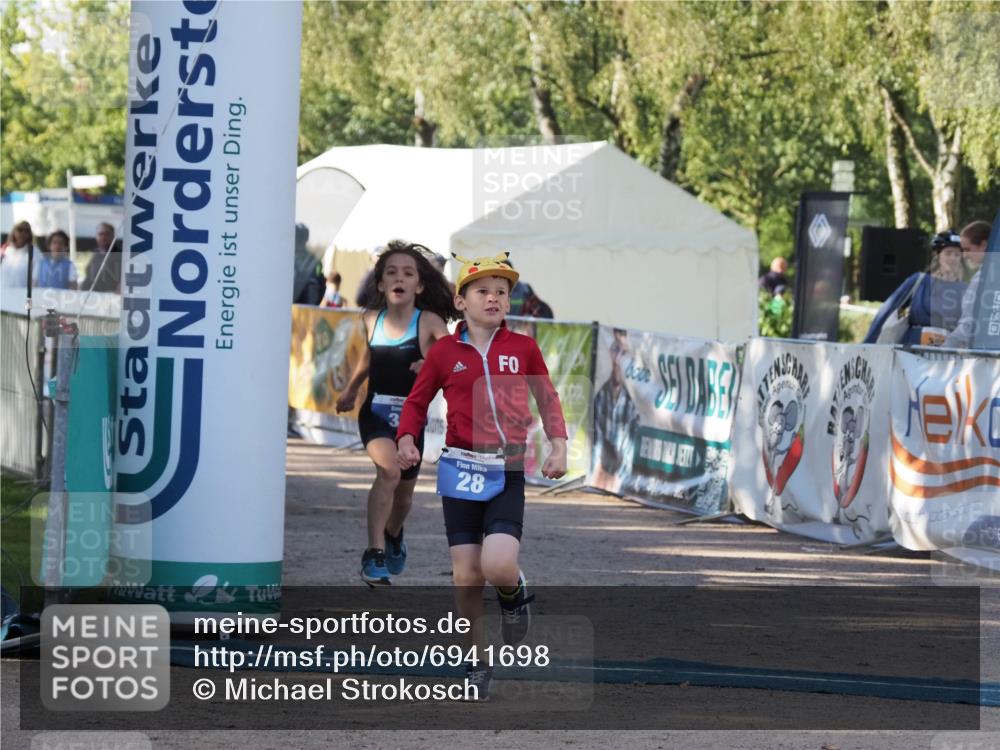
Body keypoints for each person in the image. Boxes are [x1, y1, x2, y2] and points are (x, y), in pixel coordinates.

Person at [396, 251, 568, 700]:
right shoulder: (444, 353)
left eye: (501, 291)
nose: (493, 298)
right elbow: (416, 402)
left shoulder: (524, 347)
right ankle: (476, 663)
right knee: (466, 575)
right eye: (482, 291)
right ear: (461, 300)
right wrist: (407, 439)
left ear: (510, 301)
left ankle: (514, 595)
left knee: (497, 564)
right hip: (459, 469)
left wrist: (558, 444)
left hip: (507, 466)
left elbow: (547, 398)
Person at [335, 241, 454, 586]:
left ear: (419, 285)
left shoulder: (429, 322)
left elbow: (452, 358)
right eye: (391, 272)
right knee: (388, 471)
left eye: (408, 272)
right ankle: (374, 553)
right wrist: (352, 388)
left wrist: (430, 364)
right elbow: (370, 358)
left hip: (411, 420)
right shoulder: (371, 319)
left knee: (403, 496)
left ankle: (393, 533)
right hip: (374, 411)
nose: (399, 277)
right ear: (380, 284)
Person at [864, 230, 969, 345]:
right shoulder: (919, 281)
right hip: (911, 351)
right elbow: (889, 310)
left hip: (946, 355)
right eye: (948, 253)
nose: (952, 258)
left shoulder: (966, 290)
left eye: (957, 254)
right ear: (937, 255)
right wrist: (867, 345)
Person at [590, 329, 640, 494]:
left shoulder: (632, 402)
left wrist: (620, 478)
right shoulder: (601, 395)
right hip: (601, 475)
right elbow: (596, 438)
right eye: (615, 349)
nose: (618, 357)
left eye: (623, 352)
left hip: (620, 479)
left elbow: (630, 449)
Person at [944, 221, 992, 349]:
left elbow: (969, 325)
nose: (964, 256)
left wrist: (944, 350)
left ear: (984, 245)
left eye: (967, 249)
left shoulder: (984, 278)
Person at [81, 222, 121, 293]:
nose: (103, 237)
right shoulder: (94, 254)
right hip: (89, 296)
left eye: (107, 234)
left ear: (113, 236)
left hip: (109, 298)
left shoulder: (121, 255)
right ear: (96, 236)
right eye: (100, 234)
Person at [0, 221, 39, 289]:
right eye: (20, 229)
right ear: (14, 231)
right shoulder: (5, 250)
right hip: (3, 295)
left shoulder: (35, 253)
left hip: (22, 296)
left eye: (26, 231)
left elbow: (36, 280)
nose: (23, 233)